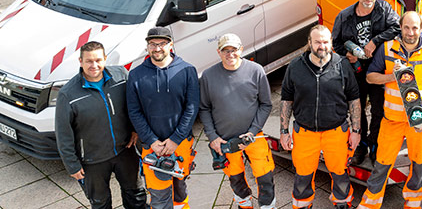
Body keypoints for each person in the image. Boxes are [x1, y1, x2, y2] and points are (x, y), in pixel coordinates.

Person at [357, 11, 422, 209]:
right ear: (401, 28)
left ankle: (413, 202)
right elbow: (371, 77)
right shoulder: (388, 48)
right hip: (392, 120)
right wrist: (391, 77)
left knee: (417, 163)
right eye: (406, 27)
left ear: (421, 29)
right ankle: (370, 203)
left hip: (418, 122)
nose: (411, 32)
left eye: (415, 28)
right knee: (382, 164)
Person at [55, 41, 147, 209]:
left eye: (98, 60)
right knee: (100, 204)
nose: (94, 65)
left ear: (105, 59)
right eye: (89, 61)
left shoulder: (121, 76)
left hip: (125, 151)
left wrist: (135, 129)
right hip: (92, 161)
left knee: (136, 196)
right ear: (80, 61)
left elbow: (134, 106)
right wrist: (72, 165)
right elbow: (63, 134)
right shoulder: (67, 94)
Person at [280, 25, 362, 209]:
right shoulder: (295, 67)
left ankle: (342, 203)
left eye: (325, 41)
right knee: (302, 175)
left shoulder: (342, 65)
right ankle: (302, 204)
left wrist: (356, 131)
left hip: (336, 132)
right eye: (317, 41)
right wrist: (284, 131)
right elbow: (286, 100)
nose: (321, 45)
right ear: (309, 43)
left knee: (340, 172)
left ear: (331, 43)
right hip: (304, 132)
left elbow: (354, 100)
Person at [199, 34, 275, 209]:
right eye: (225, 50)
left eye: (233, 50)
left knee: (265, 177)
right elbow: (204, 108)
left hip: (254, 137)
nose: (230, 54)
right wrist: (212, 137)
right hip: (224, 140)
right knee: (236, 178)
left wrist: (253, 130)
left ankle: (267, 206)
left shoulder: (256, 71)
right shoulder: (209, 76)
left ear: (241, 49)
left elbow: (266, 104)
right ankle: (244, 205)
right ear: (219, 52)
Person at [127, 26, 200, 209]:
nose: (157, 48)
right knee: (159, 197)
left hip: (181, 144)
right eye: (152, 44)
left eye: (162, 44)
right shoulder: (136, 75)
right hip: (151, 148)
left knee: (180, 191)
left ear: (171, 45)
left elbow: (191, 108)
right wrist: (152, 141)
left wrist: (175, 139)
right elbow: (134, 111)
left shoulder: (187, 70)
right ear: (147, 46)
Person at [331, 0, 400, 164]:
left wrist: (375, 41)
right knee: (357, 109)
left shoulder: (384, 9)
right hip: (356, 72)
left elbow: (397, 27)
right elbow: (335, 43)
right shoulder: (344, 17)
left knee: (379, 109)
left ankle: (375, 143)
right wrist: (347, 54)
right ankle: (360, 145)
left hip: (378, 70)